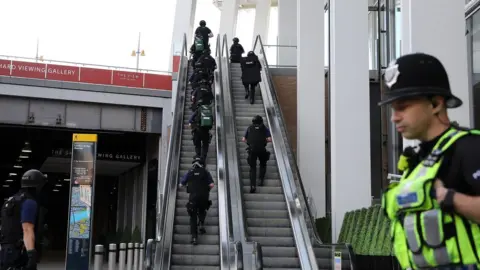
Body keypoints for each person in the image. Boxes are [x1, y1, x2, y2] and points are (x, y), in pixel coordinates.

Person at [380, 53, 480, 270]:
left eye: (403, 107)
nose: (394, 117)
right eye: (393, 109)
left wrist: (450, 199)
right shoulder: (415, 163)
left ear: (435, 104)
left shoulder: (469, 148)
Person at [0, 169, 47, 270]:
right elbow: (27, 229)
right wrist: (31, 255)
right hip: (19, 252)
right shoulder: (29, 202)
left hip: (5, 250)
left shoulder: (10, 200)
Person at [179, 158, 215, 245]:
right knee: (203, 209)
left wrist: (189, 187)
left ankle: (194, 237)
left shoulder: (190, 172)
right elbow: (211, 184)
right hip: (203, 197)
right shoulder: (205, 172)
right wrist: (206, 189)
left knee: (193, 217)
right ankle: (202, 223)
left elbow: (180, 185)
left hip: (193, 198)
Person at [242, 115, 272, 193]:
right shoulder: (264, 128)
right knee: (263, 164)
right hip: (262, 149)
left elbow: (243, 139)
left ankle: (253, 186)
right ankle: (261, 180)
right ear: (261, 121)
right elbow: (269, 139)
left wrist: (250, 143)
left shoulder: (249, 128)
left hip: (252, 150)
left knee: (252, 168)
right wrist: (263, 141)